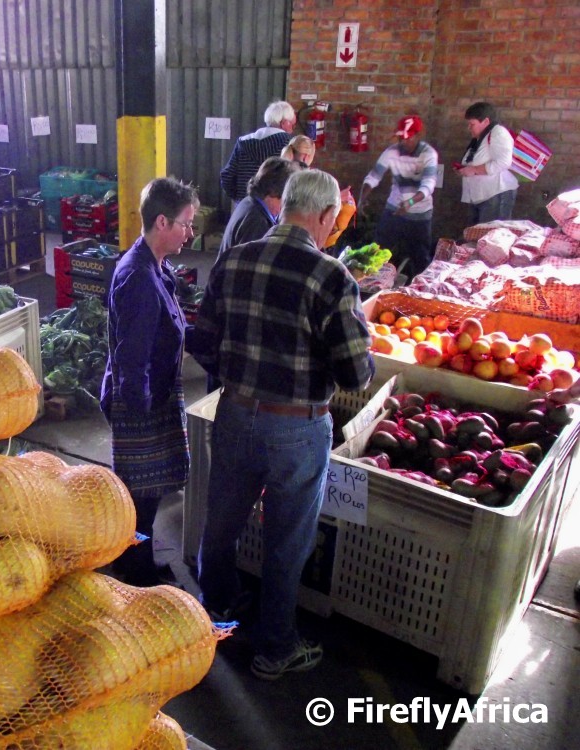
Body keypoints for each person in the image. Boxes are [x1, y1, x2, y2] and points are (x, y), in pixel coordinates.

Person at [190, 169, 374, 680]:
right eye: (333, 221)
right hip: (296, 428)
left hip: (234, 413)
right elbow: (354, 372)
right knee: (287, 541)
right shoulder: (332, 277)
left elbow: (202, 343)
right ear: (321, 216)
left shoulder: (233, 259)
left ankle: (217, 614)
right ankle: (274, 648)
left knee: (221, 521)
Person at [100, 177, 199, 587]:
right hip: (139, 398)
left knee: (153, 488)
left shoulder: (157, 265)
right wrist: (141, 420)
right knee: (140, 492)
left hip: (154, 391)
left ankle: (135, 557)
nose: (190, 233)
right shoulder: (139, 278)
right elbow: (132, 357)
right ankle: (132, 570)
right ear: (162, 222)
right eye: (185, 224)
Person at [357, 114, 439, 278]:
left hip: (420, 215)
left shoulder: (429, 154)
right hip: (394, 210)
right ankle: (372, 283)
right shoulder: (391, 152)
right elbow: (373, 177)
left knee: (420, 257)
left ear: (418, 136)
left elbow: (428, 185)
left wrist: (410, 202)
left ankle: (419, 290)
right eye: (401, 137)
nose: (404, 142)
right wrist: (361, 199)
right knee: (378, 249)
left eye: (408, 138)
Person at [219, 157, 301, 260]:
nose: (284, 208)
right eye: (286, 200)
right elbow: (251, 266)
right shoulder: (258, 222)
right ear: (274, 192)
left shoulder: (249, 202)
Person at [220, 101, 296, 203]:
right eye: (292, 125)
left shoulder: (243, 142)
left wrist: (239, 199)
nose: (292, 129)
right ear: (284, 123)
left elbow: (227, 175)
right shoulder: (288, 144)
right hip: (276, 208)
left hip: (245, 204)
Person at [455, 101, 518, 224]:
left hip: (496, 194)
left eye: (472, 124)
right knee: (476, 235)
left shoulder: (498, 133)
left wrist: (473, 170)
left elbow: (504, 162)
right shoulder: (480, 137)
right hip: (481, 195)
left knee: (489, 236)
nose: (469, 128)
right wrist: (464, 170)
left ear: (486, 121)